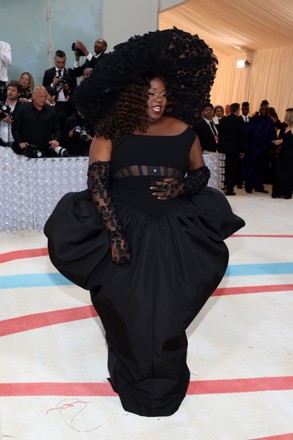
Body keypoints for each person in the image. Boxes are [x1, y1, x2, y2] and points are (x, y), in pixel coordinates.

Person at [44, 28, 245, 417]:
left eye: (163, 93)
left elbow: (201, 176)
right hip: (123, 227)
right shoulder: (110, 131)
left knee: (169, 311)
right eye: (150, 93)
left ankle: (166, 388)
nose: (158, 101)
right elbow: (97, 185)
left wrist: (182, 188)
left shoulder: (185, 130)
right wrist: (116, 236)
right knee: (128, 312)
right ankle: (130, 380)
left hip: (174, 228)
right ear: (136, 94)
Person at [11, 85, 67, 157]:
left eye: (45, 96)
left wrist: (56, 139)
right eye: (41, 96)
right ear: (33, 95)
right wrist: (20, 142)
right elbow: (15, 128)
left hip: (45, 151)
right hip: (26, 151)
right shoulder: (23, 108)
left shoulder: (51, 110)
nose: (43, 99)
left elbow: (56, 129)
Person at [244, 101, 276, 193]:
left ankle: (259, 186)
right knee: (251, 168)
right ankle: (249, 187)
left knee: (262, 169)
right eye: (263, 109)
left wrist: (271, 148)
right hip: (253, 149)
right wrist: (248, 147)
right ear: (260, 109)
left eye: (266, 109)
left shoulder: (270, 121)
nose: (264, 110)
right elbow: (248, 133)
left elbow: (272, 136)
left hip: (264, 149)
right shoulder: (254, 119)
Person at [42, 50, 77, 130]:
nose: (61, 64)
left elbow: (75, 90)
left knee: (66, 128)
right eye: (58, 62)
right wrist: (53, 84)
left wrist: (67, 88)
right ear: (54, 60)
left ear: (66, 60)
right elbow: (44, 90)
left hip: (67, 105)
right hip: (53, 104)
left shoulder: (70, 72)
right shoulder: (48, 73)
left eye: (63, 62)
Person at [218, 102, 245, 195]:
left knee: (224, 167)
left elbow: (219, 135)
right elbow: (242, 136)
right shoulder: (239, 121)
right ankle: (229, 188)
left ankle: (222, 186)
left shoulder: (223, 120)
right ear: (237, 110)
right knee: (232, 169)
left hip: (223, 148)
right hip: (234, 149)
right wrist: (242, 150)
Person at [271, 108, 293, 199]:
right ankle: (277, 192)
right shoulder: (285, 126)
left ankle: (287, 192)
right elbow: (278, 124)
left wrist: (282, 141)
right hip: (283, 152)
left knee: (288, 173)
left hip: (290, 153)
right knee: (279, 171)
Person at [0, 80, 22, 146]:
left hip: (16, 145)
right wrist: (2, 117)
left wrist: (13, 121)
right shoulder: (1, 105)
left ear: (19, 94)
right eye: (9, 89)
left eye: (13, 90)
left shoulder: (23, 107)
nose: (10, 92)